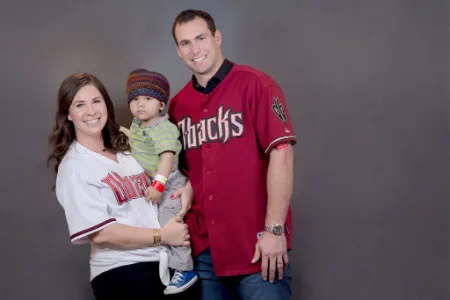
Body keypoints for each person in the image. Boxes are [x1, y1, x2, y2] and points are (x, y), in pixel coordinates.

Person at [168, 9, 296, 300]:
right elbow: (189, 171)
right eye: (185, 43)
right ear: (178, 50)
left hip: (257, 247)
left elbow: (282, 154)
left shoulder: (256, 85)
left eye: (200, 38)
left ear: (217, 37)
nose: (194, 49)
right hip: (205, 253)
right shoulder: (179, 105)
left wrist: (275, 230)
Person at [47, 72, 193, 300]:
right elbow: (102, 234)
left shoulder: (125, 150)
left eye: (97, 101)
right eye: (80, 105)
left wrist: (188, 187)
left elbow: (168, 167)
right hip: (123, 272)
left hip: (163, 265)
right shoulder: (75, 166)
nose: (91, 111)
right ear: (68, 114)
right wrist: (162, 235)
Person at [119, 68, 198, 295]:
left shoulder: (163, 128)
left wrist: (158, 186)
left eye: (147, 99)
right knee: (153, 224)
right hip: (153, 181)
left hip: (169, 183)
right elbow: (135, 140)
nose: (140, 104)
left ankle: (185, 269)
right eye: (135, 99)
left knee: (169, 223)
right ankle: (167, 261)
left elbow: (166, 158)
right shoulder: (138, 124)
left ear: (161, 104)